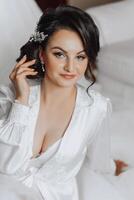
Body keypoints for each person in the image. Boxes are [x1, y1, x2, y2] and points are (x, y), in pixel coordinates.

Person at [0, 5, 132, 200]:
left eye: (80, 56)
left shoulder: (95, 109)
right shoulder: (11, 97)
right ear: (43, 55)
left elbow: (99, 158)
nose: (71, 67)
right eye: (60, 54)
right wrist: (21, 102)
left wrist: (112, 167)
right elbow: (4, 165)